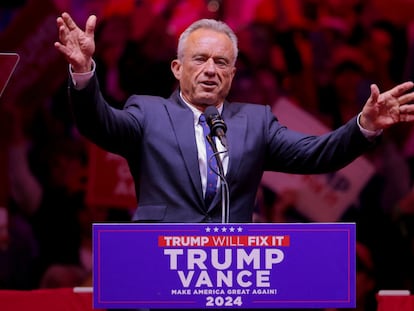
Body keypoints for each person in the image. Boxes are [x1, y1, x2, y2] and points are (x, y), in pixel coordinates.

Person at [54, 12, 414, 224]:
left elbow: (316, 153)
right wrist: (84, 72)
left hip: (231, 281)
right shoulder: (147, 112)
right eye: (200, 59)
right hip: (159, 275)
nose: (210, 70)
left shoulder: (255, 122)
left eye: (221, 62)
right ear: (177, 69)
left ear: (233, 74)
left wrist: (363, 126)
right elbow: (98, 123)